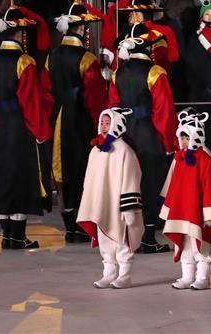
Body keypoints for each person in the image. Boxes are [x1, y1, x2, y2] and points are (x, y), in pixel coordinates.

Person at [0, 1, 53, 249]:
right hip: (20, 126)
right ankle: (18, 236)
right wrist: (41, 132)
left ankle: (6, 236)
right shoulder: (25, 63)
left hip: (0, 126)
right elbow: (30, 102)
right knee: (21, 177)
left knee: (1, 176)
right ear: (20, 34)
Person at [109, 22, 177, 253]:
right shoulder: (155, 72)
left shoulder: (118, 72)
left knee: (128, 182)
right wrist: (168, 143)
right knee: (149, 181)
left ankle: (128, 235)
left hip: (126, 133)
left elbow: (113, 106)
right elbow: (164, 112)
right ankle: (148, 238)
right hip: (148, 133)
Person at [45, 0, 107, 243]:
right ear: (82, 29)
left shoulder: (52, 56)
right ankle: (83, 225)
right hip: (79, 119)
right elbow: (95, 100)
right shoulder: (87, 59)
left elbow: (47, 92)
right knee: (81, 169)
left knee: (63, 171)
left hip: (58, 116)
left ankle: (69, 225)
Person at [76, 108, 143, 289]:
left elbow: (132, 178)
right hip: (101, 204)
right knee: (104, 237)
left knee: (121, 238)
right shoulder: (95, 151)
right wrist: (90, 202)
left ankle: (124, 275)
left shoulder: (124, 151)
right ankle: (109, 272)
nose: (104, 126)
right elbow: (89, 179)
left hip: (118, 205)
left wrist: (129, 208)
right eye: (102, 123)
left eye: (108, 123)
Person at [160, 110, 211, 290]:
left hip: (199, 212)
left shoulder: (205, 160)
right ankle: (187, 276)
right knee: (184, 243)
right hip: (182, 211)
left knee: (201, 245)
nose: (183, 142)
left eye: (187, 138)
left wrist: (210, 213)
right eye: (181, 138)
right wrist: (169, 207)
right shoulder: (179, 159)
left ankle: (202, 277)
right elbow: (174, 185)